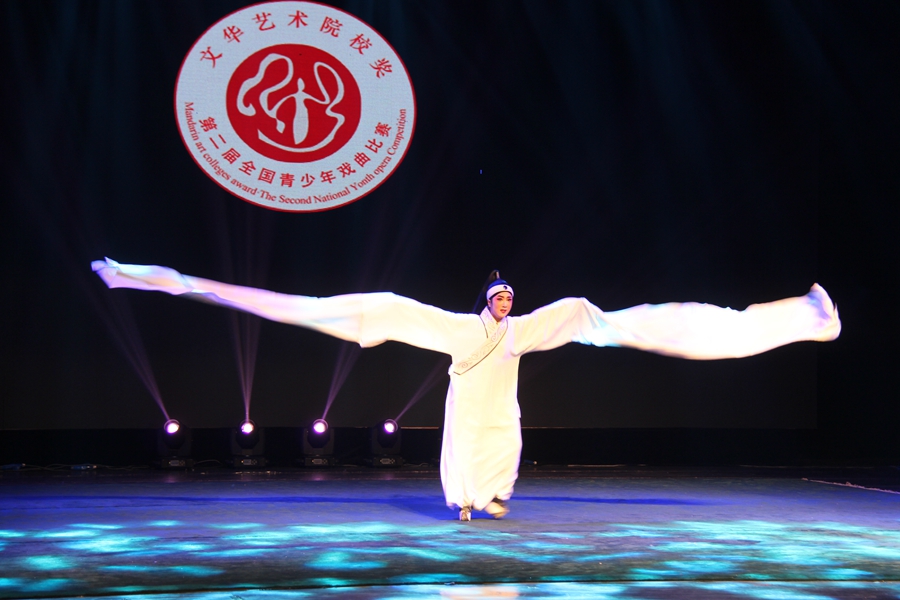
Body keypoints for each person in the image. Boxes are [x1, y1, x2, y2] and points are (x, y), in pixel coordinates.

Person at [92, 258, 840, 521]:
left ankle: (788, 322)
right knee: (461, 445)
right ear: (486, 300)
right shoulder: (456, 327)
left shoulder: (531, 328)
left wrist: (588, 319)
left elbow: (594, 319)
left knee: (512, 434)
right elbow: (372, 311)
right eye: (500, 295)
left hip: (501, 403)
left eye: (512, 295)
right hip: (466, 396)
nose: (508, 302)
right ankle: (464, 503)